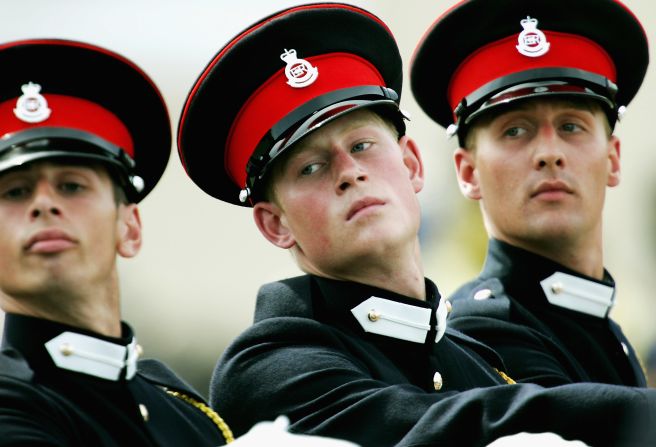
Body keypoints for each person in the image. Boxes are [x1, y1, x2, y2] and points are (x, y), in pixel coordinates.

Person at [177, 3, 656, 447]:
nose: (350, 172)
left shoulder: (472, 361)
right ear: (275, 224)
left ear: (412, 165)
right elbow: (429, 428)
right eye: (311, 167)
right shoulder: (269, 368)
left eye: (363, 146)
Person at [0, 38, 357, 447]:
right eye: (14, 192)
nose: (43, 204)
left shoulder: (184, 412)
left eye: (71, 186)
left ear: (130, 228)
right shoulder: (11, 406)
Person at [410, 0, 648, 387]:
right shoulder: (483, 331)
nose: (549, 153)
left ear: (613, 159)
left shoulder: (601, 324)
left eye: (572, 126)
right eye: (515, 131)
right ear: (468, 172)